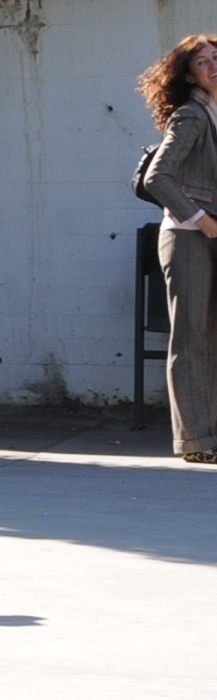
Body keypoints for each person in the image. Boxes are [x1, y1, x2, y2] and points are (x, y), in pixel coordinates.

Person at [137, 34, 217, 464]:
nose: (213, 64)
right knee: (191, 339)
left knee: (212, 337)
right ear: (189, 75)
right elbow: (157, 177)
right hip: (187, 236)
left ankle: (211, 434)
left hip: (209, 236)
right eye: (202, 61)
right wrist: (199, 218)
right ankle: (196, 442)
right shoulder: (191, 116)